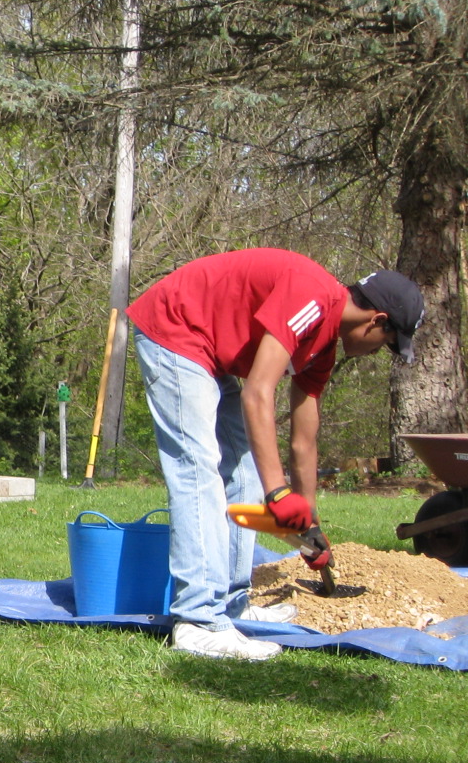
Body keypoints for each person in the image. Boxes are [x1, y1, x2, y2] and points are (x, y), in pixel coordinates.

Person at [126, 249, 425, 660]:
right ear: (377, 321)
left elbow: (305, 440)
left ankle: (229, 604)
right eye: (389, 344)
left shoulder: (322, 348)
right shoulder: (314, 298)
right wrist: (279, 493)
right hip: (175, 329)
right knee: (198, 469)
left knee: (246, 474)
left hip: (209, 352)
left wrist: (309, 522)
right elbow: (257, 392)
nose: (380, 353)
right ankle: (197, 620)